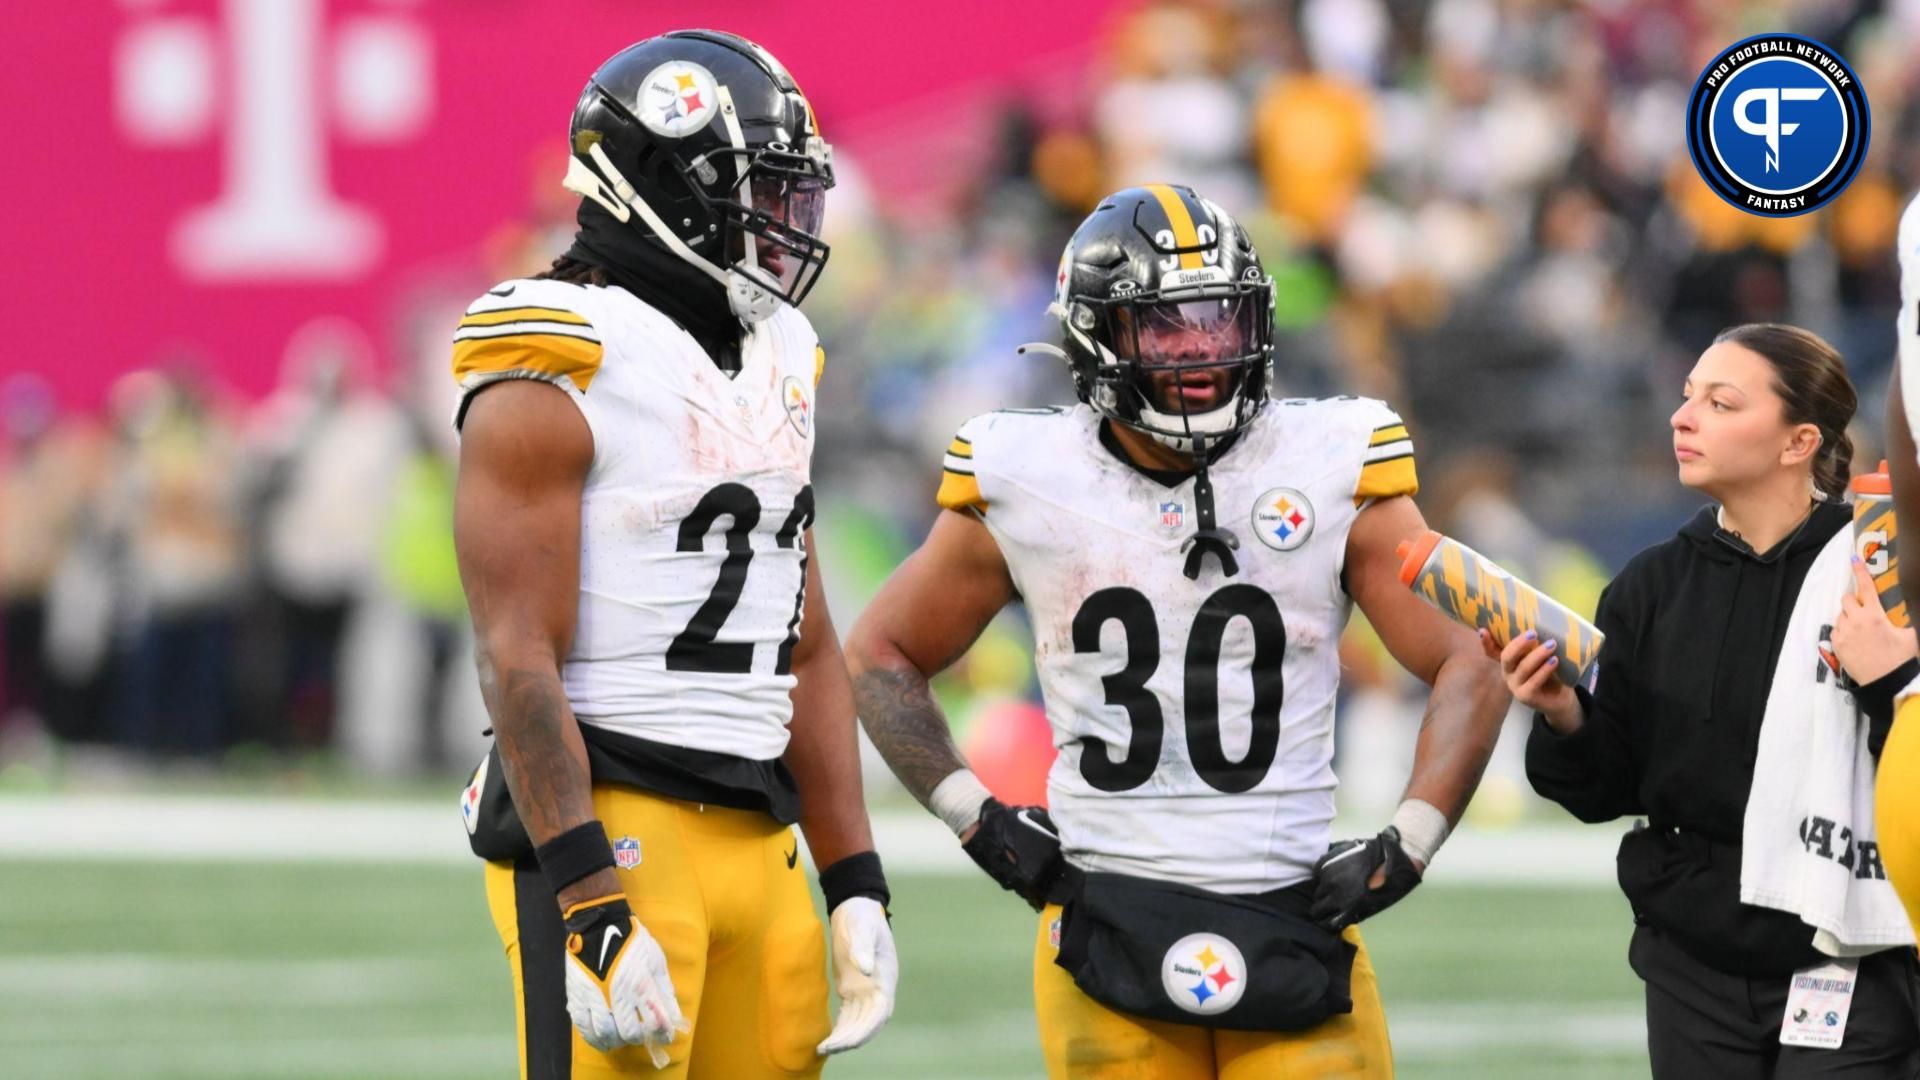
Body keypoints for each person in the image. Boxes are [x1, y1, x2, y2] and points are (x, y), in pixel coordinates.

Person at [844, 184, 1508, 1079]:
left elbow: (1472, 652)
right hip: (1101, 911)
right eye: (1166, 328)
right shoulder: (1027, 473)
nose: (1201, 354)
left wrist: (1411, 843)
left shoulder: (1331, 458)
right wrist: (982, 824)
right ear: (1096, 334)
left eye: (1219, 323)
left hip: (1292, 909)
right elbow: (880, 655)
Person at [451, 31, 895, 1079]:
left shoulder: (783, 350)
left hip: (761, 833)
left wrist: (856, 874)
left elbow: (807, 639)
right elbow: (516, 653)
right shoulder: (560, 350)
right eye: (760, 192)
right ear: (664, 187)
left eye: (795, 195)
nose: (785, 225)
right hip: (619, 820)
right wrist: (590, 899)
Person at [1506, 323, 1920, 1077]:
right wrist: (1563, 713)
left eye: (1721, 403)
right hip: (1692, 958)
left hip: (1851, 946)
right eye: (1688, 395)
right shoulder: (1649, 585)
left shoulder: (1881, 571)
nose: (1682, 416)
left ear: (1799, 442)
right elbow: (1607, 790)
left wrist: (1895, 680)